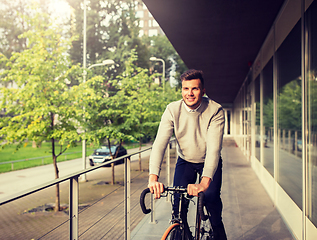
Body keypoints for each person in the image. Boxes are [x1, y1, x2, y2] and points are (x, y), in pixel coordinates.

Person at [148, 69, 227, 240]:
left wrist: (204, 184)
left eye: (195, 89)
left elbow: (214, 150)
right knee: (178, 206)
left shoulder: (216, 110)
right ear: (181, 90)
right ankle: (183, 233)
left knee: (211, 200)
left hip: (208, 161)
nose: (189, 93)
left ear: (203, 91)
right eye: (186, 89)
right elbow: (159, 143)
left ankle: (218, 233)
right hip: (185, 160)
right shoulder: (172, 109)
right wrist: (153, 177)